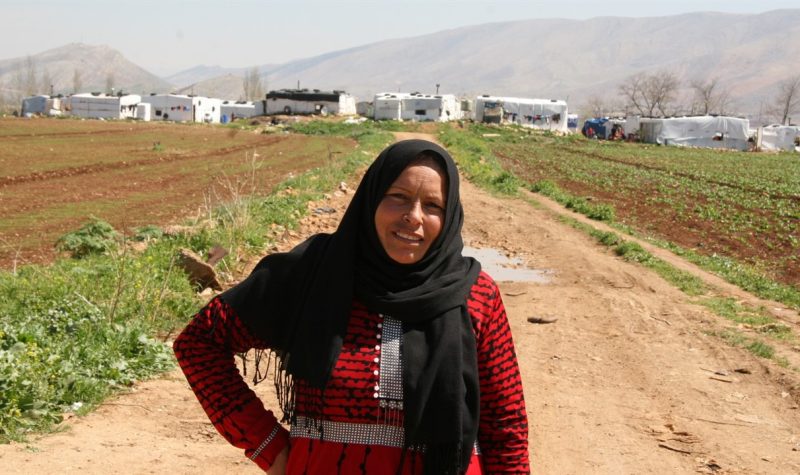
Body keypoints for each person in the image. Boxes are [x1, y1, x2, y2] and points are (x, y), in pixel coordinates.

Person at [173, 139, 530, 474]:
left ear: (449, 215)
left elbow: (505, 426)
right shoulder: (313, 274)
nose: (414, 216)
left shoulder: (475, 294)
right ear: (371, 198)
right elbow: (199, 343)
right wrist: (269, 446)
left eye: (433, 205)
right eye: (398, 197)